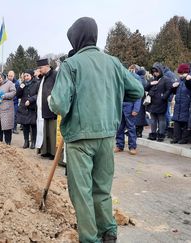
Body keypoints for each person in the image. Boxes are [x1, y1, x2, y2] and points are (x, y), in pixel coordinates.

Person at [48, 17, 144, 243]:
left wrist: (53, 100)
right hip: (106, 136)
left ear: (76, 39)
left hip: (80, 139)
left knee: (82, 192)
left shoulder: (71, 65)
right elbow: (138, 90)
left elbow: (60, 104)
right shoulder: (112, 62)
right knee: (102, 189)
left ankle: (90, 238)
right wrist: (115, 93)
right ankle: (108, 232)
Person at [114, 65, 142, 155]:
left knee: (131, 127)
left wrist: (136, 109)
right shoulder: (118, 78)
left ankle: (132, 147)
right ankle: (119, 145)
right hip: (120, 106)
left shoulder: (135, 78)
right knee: (119, 127)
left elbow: (138, 94)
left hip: (130, 106)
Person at [35, 58, 58, 159]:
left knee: (52, 132)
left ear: (47, 66)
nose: (39, 70)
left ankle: (53, 153)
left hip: (52, 107)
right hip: (43, 108)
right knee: (45, 131)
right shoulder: (43, 77)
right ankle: (46, 151)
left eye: (41, 68)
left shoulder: (55, 74)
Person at [144, 63, 173, 142]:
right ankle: (153, 134)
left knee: (161, 119)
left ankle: (161, 134)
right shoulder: (153, 79)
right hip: (152, 102)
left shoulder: (166, 79)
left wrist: (164, 97)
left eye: (156, 71)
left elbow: (169, 90)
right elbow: (145, 88)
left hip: (161, 102)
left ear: (160, 71)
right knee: (153, 119)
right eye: (153, 72)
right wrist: (150, 84)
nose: (155, 73)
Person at [16, 69, 40, 149]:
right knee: (25, 125)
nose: (26, 77)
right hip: (24, 107)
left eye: (27, 76)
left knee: (33, 125)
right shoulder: (23, 84)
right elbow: (18, 95)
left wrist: (31, 100)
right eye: (25, 76)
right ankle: (26, 141)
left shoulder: (36, 83)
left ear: (31, 76)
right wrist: (20, 88)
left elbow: (38, 95)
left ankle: (33, 142)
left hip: (32, 107)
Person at [170, 64, 191, 144]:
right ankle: (176, 137)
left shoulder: (190, 80)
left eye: (181, 73)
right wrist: (173, 87)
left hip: (186, 104)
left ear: (186, 72)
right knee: (176, 121)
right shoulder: (179, 80)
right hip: (178, 103)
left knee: (185, 122)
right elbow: (175, 92)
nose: (180, 75)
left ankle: (184, 138)